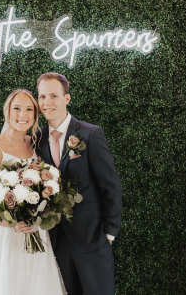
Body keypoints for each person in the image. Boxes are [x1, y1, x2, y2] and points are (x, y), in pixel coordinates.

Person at [0, 89, 66, 295]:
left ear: (35, 116)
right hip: (5, 237)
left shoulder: (35, 144)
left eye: (29, 109)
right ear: (7, 112)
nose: (23, 115)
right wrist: (11, 224)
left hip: (35, 232)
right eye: (17, 108)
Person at [35, 73, 123, 295]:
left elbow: (111, 186)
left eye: (54, 95)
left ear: (67, 98)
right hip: (55, 242)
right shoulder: (36, 139)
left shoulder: (91, 134)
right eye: (42, 96)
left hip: (92, 239)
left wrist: (109, 234)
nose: (47, 102)